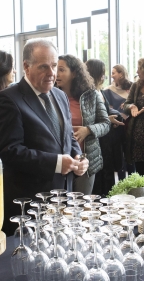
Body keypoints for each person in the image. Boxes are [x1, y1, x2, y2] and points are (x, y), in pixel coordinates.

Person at [0, 39, 88, 232]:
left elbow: (67, 136)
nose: (52, 73)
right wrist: (57, 163)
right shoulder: (8, 99)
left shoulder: (60, 96)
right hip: (29, 205)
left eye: (54, 66)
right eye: (44, 67)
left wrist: (78, 156)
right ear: (26, 67)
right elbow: (9, 151)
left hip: (62, 199)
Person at [56, 55, 110, 194]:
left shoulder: (91, 95)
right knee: (60, 206)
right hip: (61, 160)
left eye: (61, 69)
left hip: (85, 160)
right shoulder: (51, 96)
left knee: (81, 205)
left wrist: (88, 130)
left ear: (74, 73)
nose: (56, 73)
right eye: (56, 69)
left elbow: (105, 123)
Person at [85, 59, 126, 196]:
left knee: (107, 176)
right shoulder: (88, 93)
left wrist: (112, 118)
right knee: (100, 180)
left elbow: (105, 111)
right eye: (103, 73)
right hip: (98, 141)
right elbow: (89, 119)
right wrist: (108, 119)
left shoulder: (99, 91)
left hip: (106, 139)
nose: (105, 76)